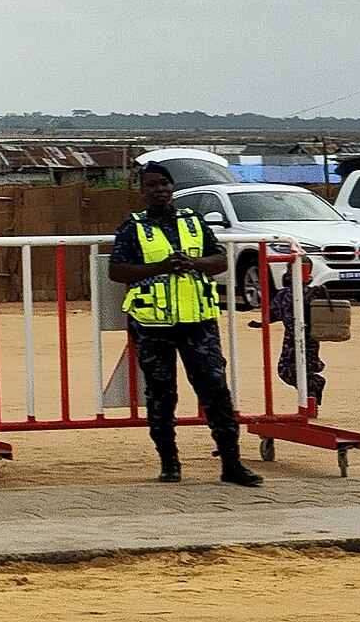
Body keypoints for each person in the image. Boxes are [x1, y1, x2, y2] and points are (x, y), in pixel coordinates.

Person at [110, 163, 263, 486]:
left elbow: (219, 260)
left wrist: (193, 263)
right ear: (142, 192)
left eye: (164, 184)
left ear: (172, 187)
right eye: (152, 185)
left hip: (198, 323)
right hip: (153, 325)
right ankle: (169, 463)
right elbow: (117, 270)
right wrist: (161, 267)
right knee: (162, 394)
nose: (159, 190)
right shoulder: (132, 227)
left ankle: (231, 464)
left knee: (216, 391)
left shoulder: (193, 222)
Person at [267, 274, 327, 407]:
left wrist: (318, 294)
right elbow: (272, 313)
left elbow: (325, 313)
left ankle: (311, 397)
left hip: (307, 340)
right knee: (288, 370)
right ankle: (312, 390)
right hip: (293, 340)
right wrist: (261, 322)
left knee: (296, 370)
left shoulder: (313, 293)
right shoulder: (284, 294)